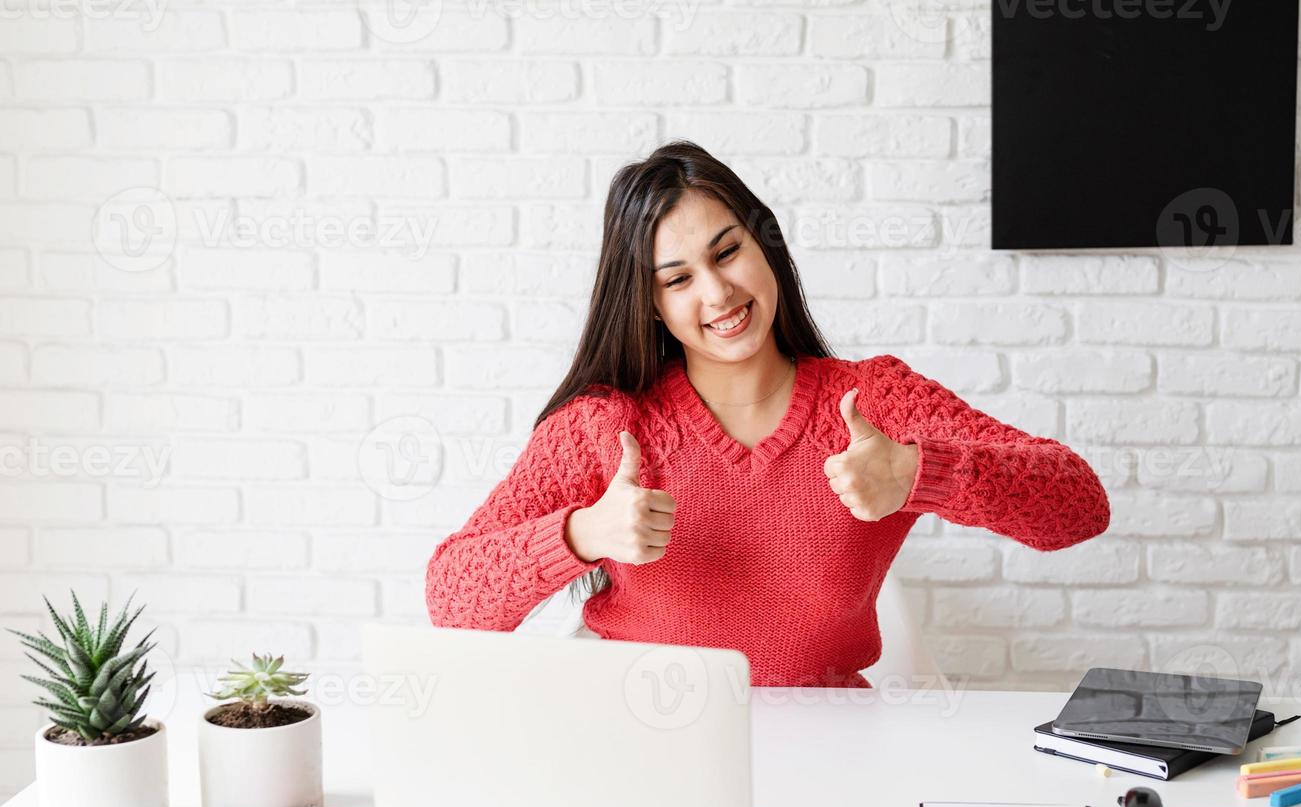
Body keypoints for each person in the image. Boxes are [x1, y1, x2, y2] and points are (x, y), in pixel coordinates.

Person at [424, 140, 1110, 688]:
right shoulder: (604, 427)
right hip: (641, 744)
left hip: (831, 748)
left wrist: (918, 474)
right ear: (650, 304)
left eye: (727, 252)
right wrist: (579, 533)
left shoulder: (874, 401)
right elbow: (451, 598)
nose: (718, 291)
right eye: (678, 278)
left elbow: (1079, 506)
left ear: (765, 247)